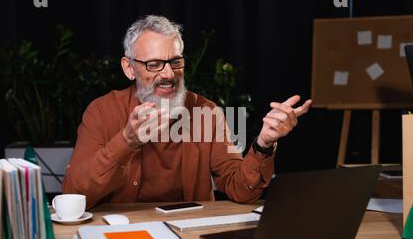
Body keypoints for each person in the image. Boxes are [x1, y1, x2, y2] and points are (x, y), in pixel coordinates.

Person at [62, 15, 312, 208]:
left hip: (192, 235)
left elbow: (241, 189)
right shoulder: (102, 112)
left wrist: (264, 143)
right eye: (154, 64)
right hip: (123, 237)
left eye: (175, 61)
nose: (169, 74)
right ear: (129, 69)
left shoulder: (206, 112)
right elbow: (74, 194)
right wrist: (126, 141)